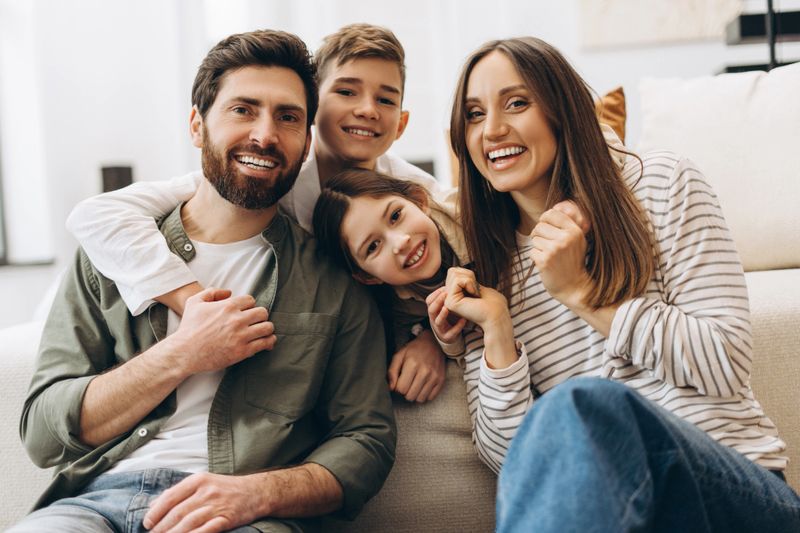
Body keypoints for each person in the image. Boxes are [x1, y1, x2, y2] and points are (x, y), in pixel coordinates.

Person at [13, 30, 395, 533]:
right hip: (93, 506)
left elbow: (366, 439)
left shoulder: (334, 275)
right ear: (197, 125)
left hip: (246, 513)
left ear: (306, 145)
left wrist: (258, 493)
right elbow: (43, 433)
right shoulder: (110, 256)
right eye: (243, 109)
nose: (265, 134)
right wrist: (182, 353)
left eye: (288, 117)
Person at [442, 36, 800, 531]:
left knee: (583, 405)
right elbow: (515, 464)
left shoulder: (663, 183)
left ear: (561, 109)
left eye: (517, 103)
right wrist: (499, 331)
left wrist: (579, 291)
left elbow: (726, 362)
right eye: (475, 115)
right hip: (616, 515)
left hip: (735, 494)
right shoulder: (490, 276)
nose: (493, 130)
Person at [65, 23, 447, 404]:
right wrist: (193, 301)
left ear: (401, 122)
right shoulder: (267, 174)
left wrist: (432, 338)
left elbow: (473, 257)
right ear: (314, 109)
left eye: (385, 100)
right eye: (346, 91)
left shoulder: (415, 193)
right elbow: (96, 215)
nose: (366, 109)